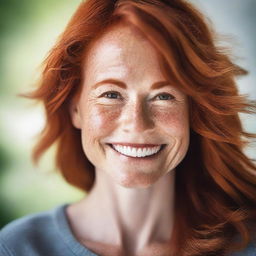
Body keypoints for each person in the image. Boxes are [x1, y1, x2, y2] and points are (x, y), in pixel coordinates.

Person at [1, 0, 256, 255]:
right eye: (111, 94)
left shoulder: (248, 243)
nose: (136, 123)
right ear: (75, 109)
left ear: (194, 111)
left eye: (164, 96)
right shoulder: (15, 247)